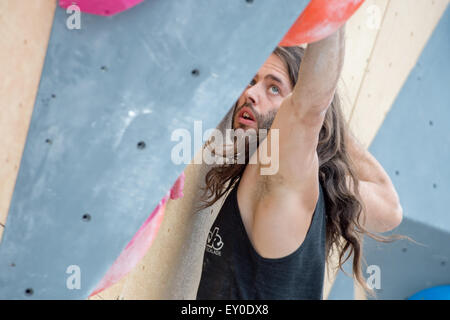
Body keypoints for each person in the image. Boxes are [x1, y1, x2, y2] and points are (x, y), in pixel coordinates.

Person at [196, 26, 403, 299]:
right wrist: (332, 124)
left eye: (273, 88)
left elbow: (307, 110)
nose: (251, 94)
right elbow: (390, 210)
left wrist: (330, 14)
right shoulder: (307, 182)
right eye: (251, 80)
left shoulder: (279, 172)